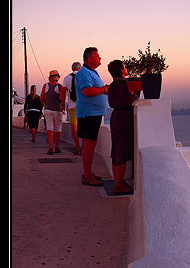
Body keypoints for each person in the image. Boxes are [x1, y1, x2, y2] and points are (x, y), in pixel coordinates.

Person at [73, 47, 109, 187]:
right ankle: (87, 176)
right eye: (97, 56)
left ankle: (88, 173)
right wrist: (104, 89)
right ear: (89, 58)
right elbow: (87, 91)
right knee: (89, 144)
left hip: (92, 113)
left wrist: (102, 89)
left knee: (90, 144)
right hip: (88, 114)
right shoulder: (83, 73)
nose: (100, 58)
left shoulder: (90, 72)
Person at [104, 60, 139, 195]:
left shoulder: (111, 86)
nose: (126, 68)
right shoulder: (128, 84)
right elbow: (145, 85)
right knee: (122, 152)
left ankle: (116, 182)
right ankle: (118, 186)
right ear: (121, 70)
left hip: (115, 118)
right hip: (125, 119)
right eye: (124, 67)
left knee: (116, 150)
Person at [40, 70, 68, 154]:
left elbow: (41, 98)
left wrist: (47, 101)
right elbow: (62, 99)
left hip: (47, 109)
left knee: (49, 129)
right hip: (57, 110)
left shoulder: (45, 86)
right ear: (57, 78)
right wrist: (63, 106)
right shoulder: (59, 87)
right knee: (58, 129)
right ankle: (57, 147)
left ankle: (50, 148)